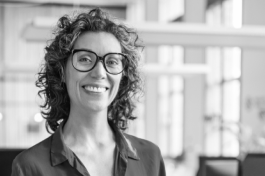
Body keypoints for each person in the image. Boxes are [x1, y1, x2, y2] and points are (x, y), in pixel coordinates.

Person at [11, 8, 166, 176]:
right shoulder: (31, 166)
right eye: (85, 59)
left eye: (112, 61)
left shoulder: (150, 158)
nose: (99, 73)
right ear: (62, 70)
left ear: (123, 75)